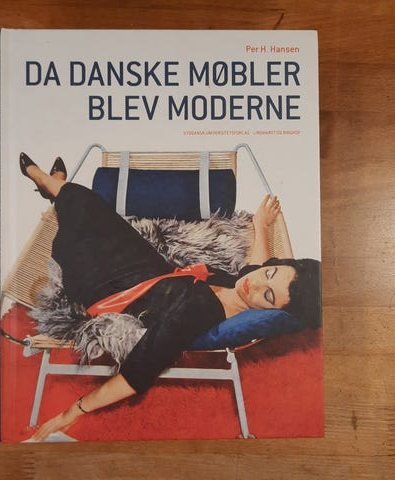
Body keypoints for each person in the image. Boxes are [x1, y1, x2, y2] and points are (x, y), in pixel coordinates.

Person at [18, 152, 321, 441]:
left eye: (267, 296)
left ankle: (47, 182)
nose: (253, 284)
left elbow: (140, 371)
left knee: (78, 225)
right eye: (270, 273)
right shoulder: (245, 284)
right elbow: (257, 268)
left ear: (270, 311)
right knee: (97, 209)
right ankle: (57, 187)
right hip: (147, 270)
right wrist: (260, 225)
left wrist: (72, 412)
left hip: (110, 288)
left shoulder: (198, 310)